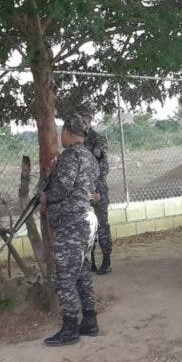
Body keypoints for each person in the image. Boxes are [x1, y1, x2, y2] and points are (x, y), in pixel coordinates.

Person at [42, 115, 100, 346]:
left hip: (71, 223)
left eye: (61, 132)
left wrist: (46, 196)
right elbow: (89, 186)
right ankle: (90, 321)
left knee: (65, 275)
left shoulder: (71, 156)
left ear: (67, 131)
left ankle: (69, 329)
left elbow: (62, 188)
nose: (59, 137)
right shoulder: (89, 157)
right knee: (82, 271)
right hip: (85, 218)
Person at [79, 110, 112, 274]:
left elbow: (104, 167)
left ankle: (106, 260)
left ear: (90, 120)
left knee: (102, 225)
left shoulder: (97, 139)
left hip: (98, 189)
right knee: (86, 226)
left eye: (86, 119)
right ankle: (89, 261)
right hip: (82, 191)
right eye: (82, 119)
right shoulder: (77, 141)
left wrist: (93, 185)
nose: (85, 122)